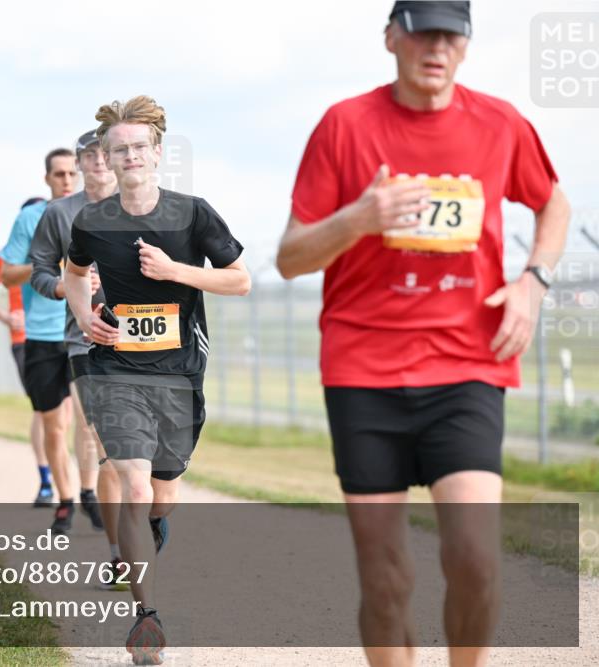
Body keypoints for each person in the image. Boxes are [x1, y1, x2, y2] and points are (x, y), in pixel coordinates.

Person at [275, 3, 571, 666]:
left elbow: (553, 200)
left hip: (467, 364)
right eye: (422, 31)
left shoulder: (498, 123)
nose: (436, 47)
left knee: (474, 557)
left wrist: (533, 281)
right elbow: (291, 257)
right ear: (390, 38)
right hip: (362, 371)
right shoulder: (345, 126)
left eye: (451, 34)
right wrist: (360, 216)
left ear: (465, 46)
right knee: (384, 577)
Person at [64, 96, 249, 664]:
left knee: (162, 495)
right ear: (107, 159)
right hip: (116, 371)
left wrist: (176, 272)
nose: (130, 157)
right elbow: (73, 275)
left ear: (157, 153)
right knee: (135, 487)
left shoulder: (192, 213)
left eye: (140, 147)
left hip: (178, 376)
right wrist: (83, 317)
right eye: (119, 150)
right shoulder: (92, 221)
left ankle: (149, 533)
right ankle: (147, 617)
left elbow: (238, 280)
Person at [30, 129, 126, 582]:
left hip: (144, 341)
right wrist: (64, 286)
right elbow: (40, 271)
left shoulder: (143, 203)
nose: (101, 163)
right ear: (82, 163)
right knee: (105, 441)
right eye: (92, 156)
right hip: (85, 340)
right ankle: (118, 551)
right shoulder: (59, 212)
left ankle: (140, 528)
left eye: (108, 155)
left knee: (145, 451)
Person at [0, 149, 79, 534]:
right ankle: (66, 500)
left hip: (87, 332)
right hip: (43, 336)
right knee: (55, 426)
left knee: (90, 424)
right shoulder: (31, 218)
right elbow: (7, 276)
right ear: (47, 178)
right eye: (60, 174)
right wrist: (46, 265)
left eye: (72, 173)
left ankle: (93, 493)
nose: (67, 180)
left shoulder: (97, 214)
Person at [0, 238, 52, 507]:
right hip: (25, 340)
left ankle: (74, 482)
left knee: (67, 414)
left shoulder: (65, 246)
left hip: (62, 338)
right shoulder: (8, 256)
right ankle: (46, 481)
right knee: (44, 411)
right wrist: (7, 317)